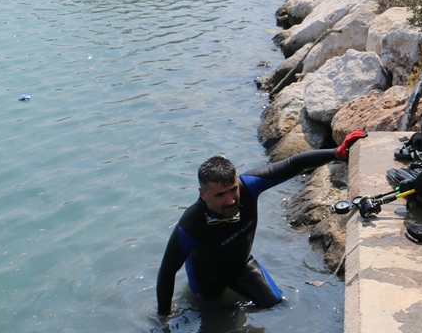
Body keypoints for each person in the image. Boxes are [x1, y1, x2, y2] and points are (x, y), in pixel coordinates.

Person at [156, 130, 366, 317]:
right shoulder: (191, 225)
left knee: (278, 306)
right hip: (207, 281)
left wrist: (335, 153)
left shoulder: (248, 186)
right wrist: (163, 318)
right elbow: (167, 272)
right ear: (203, 195)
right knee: (216, 322)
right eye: (220, 195)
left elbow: (293, 164)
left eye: (232, 189)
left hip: (241, 265)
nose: (230, 200)